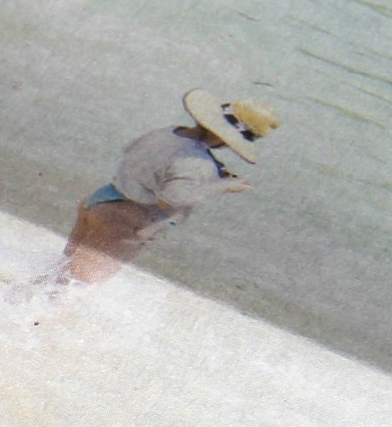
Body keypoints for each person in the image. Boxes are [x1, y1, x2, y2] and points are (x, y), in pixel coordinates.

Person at [52, 91, 277, 286]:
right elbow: (171, 199)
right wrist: (222, 186)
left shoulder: (169, 132)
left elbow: (139, 154)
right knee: (80, 285)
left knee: (62, 273)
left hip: (100, 201)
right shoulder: (199, 163)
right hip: (125, 221)